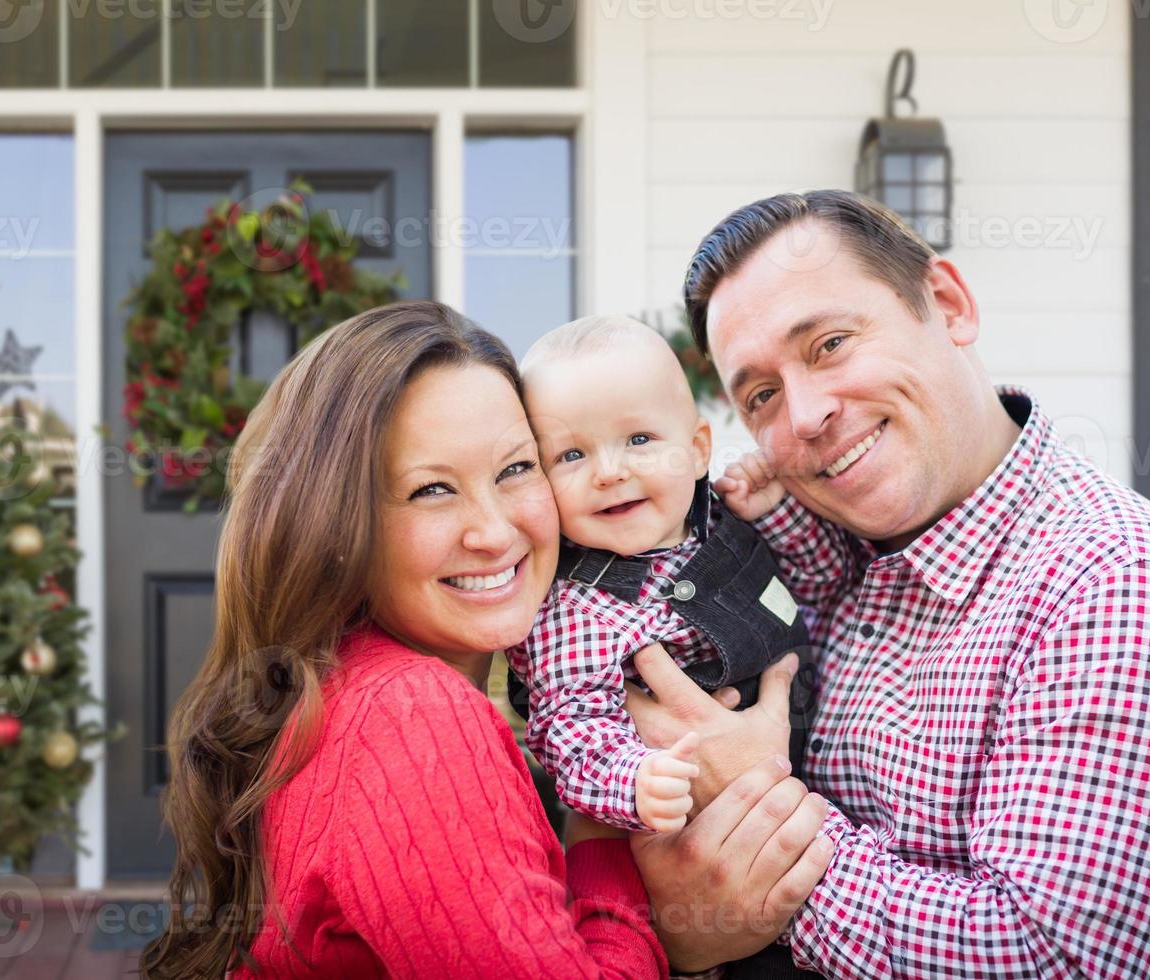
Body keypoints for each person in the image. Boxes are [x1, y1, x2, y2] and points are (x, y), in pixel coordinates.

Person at [137, 300, 834, 978]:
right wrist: (654, 905)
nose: (495, 532)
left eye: (513, 469)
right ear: (337, 524)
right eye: (431, 490)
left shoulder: (353, 683)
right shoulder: (414, 717)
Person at [626, 190, 1150, 977]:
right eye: (759, 394)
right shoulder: (803, 558)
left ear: (947, 304)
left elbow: (1059, 960)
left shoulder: (1112, 576)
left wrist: (758, 828)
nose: (802, 414)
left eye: (829, 343)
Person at [505, 314, 813, 836]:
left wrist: (777, 512)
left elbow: (819, 583)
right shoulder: (576, 608)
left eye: (639, 439)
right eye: (571, 454)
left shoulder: (724, 517)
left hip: (816, 770)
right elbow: (570, 729)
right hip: (700, 821)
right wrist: (634, 779)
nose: (609, 471)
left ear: (696, 450)